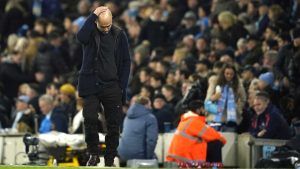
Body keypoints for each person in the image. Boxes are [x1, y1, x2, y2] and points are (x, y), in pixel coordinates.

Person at [77, 6, 131, 166]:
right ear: (96, 23)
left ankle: (109, 159)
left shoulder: (119, 34)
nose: (106, 29)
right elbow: (80, 37)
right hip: (91, 84)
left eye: (109, 26)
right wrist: (93, 15)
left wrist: (122, 84)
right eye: (103, 26)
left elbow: (126, 61)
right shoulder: (90, 32)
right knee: (90, 118)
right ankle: (93, 153)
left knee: (114, 124)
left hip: (112, 85)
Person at [166, 100, 226, 166]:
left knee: (208, 145)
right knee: (216, 144)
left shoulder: (186, 120)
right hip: (186, 155)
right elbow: (213, 135)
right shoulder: (195, 121)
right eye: (203, 109)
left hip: (178, 155)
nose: (205, 111)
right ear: (198, 110)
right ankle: (216, 167)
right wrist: (223, 141)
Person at [117, 96, 158, 162]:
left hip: (122, 153)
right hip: (138, 154)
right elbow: (151, 140)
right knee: (155, 160)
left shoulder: (127, 117)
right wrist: (149, 158)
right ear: (146, 105)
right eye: (150, 105)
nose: (151, 107)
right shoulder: (150, 118)